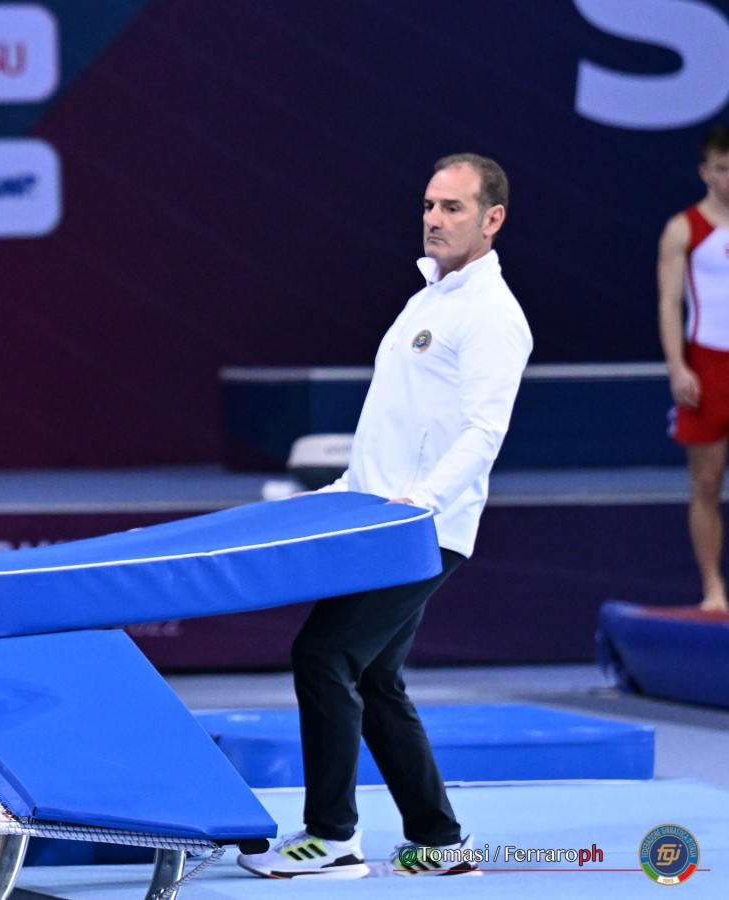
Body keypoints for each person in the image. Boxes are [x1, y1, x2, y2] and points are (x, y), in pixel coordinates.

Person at [238, 154, 532, 878]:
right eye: (429, 205)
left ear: (492, 219)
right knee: (374, 678)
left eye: (453, 207)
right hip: (378, 520)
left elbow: (483, 432)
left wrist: (420, 505)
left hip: (419, 531)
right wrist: (339, 491)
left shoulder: (492, 314)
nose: (434, 219)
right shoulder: (425, 300)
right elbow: (393, 427)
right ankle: (439, 841)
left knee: (324, 656)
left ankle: (331, 838)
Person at [659, 125, 729, 613]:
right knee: (706, 483)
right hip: (707, 365)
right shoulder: (683, 228)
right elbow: (669, 303)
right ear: (705, 172)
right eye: (722, 169)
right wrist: (677, 367)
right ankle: (713, 588)